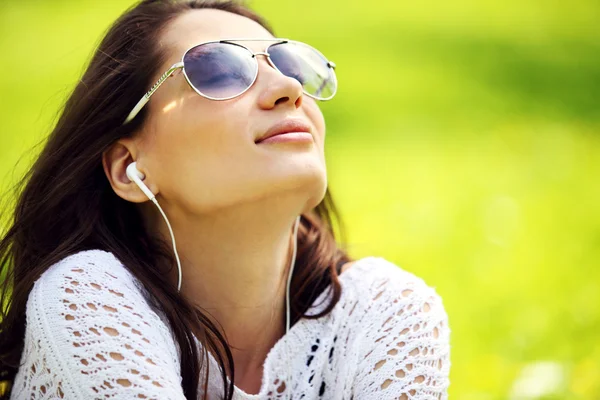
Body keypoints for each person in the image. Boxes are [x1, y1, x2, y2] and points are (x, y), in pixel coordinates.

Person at [0, 0, 451, 399]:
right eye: (219, 71)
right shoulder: (85, 298)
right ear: (130, 169)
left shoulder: (387, 312)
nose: (288, 89)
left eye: (293, 65)